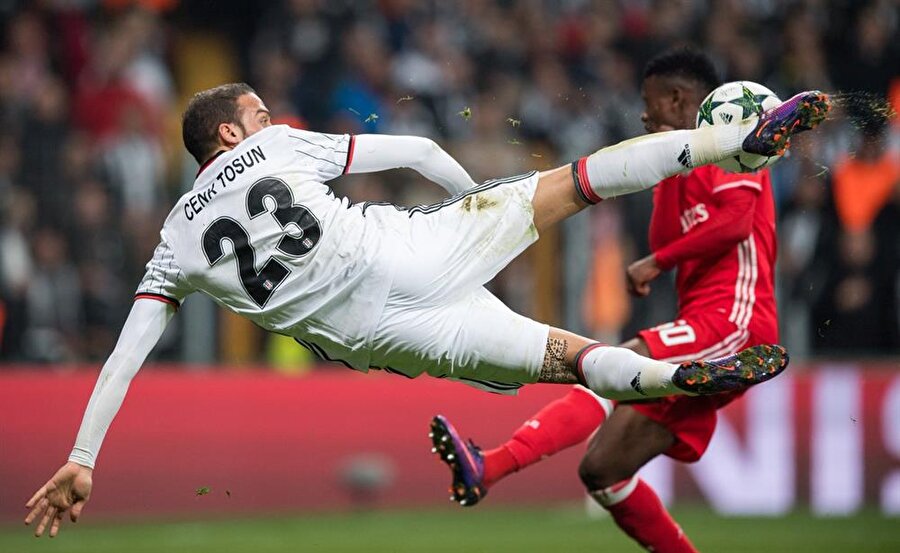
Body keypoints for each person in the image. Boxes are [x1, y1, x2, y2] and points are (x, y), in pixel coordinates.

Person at [24, 80, 828, 538]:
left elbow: (123, 355)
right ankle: (742, 145)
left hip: (389, 336)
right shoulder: (274, 147)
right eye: (261, 111)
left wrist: (85, 455)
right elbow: (415, 150)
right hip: (415, 248)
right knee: (576, 181)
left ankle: (670, 374)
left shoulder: (173, 243)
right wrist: (478, 205)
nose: (270, 119)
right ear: (233, 131)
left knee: (565, 358)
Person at [429, 48, 793, 553]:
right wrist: (667, 170)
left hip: (736, 319)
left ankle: (490, 467)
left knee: (611, 366)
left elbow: (731, 224)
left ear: (677, 98)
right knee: (603, 470)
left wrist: (656, 263)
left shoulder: (735, 147)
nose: (644, 116)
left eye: (650, 105)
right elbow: (664, 232)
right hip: (702, 321)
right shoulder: (686, 161)